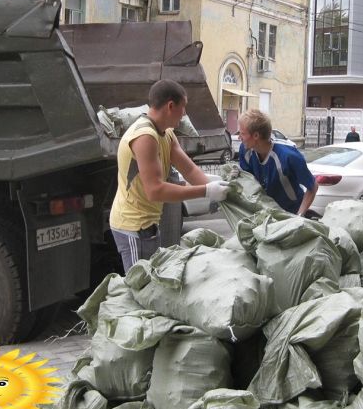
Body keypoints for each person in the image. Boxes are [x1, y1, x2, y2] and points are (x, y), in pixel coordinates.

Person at [109, 79, 230, 272]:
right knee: (140, 290)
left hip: (148, 224)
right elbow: (155, 191)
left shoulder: (166, 134)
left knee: (151, 286)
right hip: (133, 227)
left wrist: (220, 192)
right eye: (183, 108)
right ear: (170, 106)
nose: (183, 115)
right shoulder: (145, 137)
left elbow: (189, 170)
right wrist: (206, 191)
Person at [238, 109, 317, 216]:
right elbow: (250, 185)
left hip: (291, 213)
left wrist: (299, 216)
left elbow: (313, 186)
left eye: (242, 133)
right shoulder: (245, 151)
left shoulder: (288, 156)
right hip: (265, 213)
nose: (239, 137)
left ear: (256, 136)